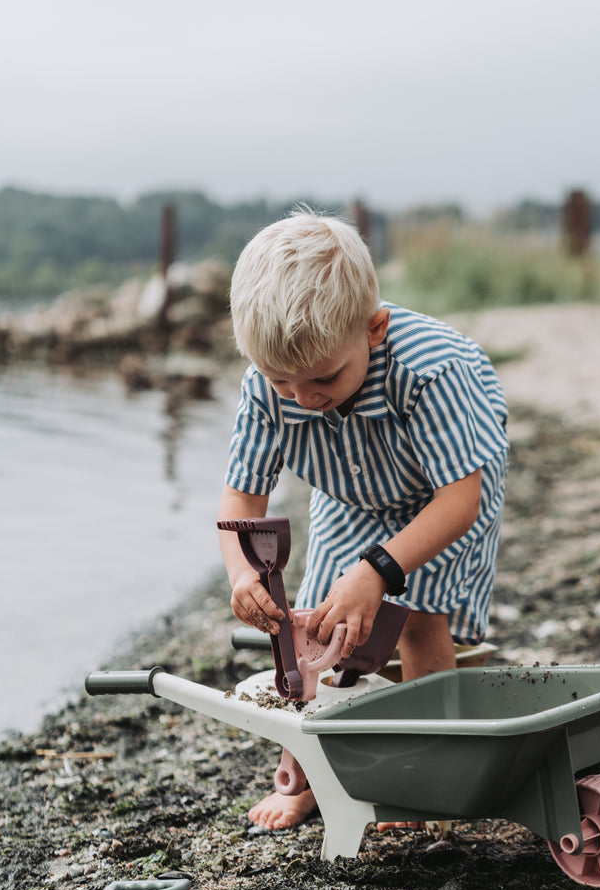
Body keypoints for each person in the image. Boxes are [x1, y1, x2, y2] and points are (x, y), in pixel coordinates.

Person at [218, 209, 509, 831]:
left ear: (373, 330)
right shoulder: (271, 387)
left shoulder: (431, 370)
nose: (304, 399)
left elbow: (461, 501)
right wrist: (242, 574)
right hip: (349, 495)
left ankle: (424, 774)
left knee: (418, 623)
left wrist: (378, 571)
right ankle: (307, 777)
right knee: (317, 632)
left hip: (444, 494)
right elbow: (241, 499)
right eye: (281, 381)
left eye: (324, 377)